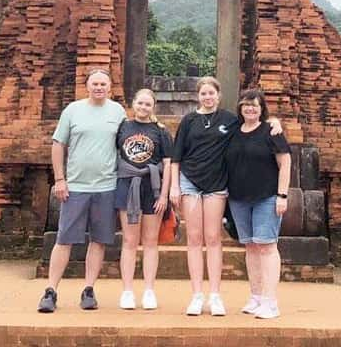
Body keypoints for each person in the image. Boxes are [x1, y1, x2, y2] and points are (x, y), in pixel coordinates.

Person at [168, 77, 281, 316]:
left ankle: (215, 295)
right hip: (190, 182)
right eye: (203, 94)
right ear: (197, 96)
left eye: (212, 93)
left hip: (217, 183)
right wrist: (174, 187)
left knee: (213, 238)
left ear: (219, 96)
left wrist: (274, 120)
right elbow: (176, 156)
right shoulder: (189, 121)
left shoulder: (229, 120)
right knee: (194, 238)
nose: (208, 97)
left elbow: (254, 123)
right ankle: (197, 294)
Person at [38, 69, 125, 313]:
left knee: (98, 240)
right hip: (75, 186)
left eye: (103, 84)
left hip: (107, 185)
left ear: (110, 88)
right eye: (95, 83)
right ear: (87, 86)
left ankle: (88, 289)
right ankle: (51, 290)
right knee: (64, 238)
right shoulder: (72, 110)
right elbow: (58, 144)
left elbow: (126, 143)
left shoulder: (117, 112)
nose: (99, 87)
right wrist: (60, 179)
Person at [225, 89, 291, 320]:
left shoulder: (271, 131)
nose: (250, 109)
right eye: (246, 105)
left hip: (267, 197)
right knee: (251, 246)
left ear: (262, 109)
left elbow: (285, 162)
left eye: (255, 105)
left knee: (267, 246)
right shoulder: (233, 131)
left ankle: (270, 301)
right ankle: (256, 296)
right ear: (240, 108)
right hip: (239, 198)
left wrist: (282, 195)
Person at [114, 88, 173, 310]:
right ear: (133, 103)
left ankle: (149, 290)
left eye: (148, 104)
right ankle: (127, 290)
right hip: (127, 186)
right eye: (140, 103)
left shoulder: (161, 131)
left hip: (152, 188)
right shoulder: (123, 127)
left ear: (153, 107)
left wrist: (164, 195)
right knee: (129, 241)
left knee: (150, 242)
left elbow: (168, 163)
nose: (143, 107)